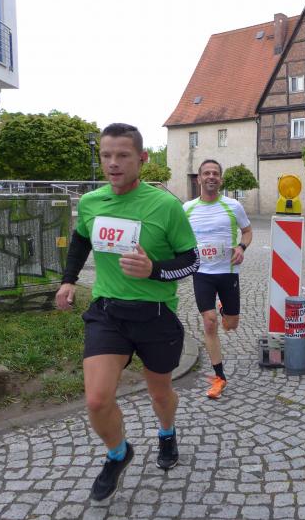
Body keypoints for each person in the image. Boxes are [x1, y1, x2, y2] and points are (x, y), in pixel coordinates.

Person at [55, 123, 199, 502]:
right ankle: (118, 453)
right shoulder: (91, 203)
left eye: (123, 155)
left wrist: (154, 270)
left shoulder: (165, 206)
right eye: (106, 155)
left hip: (155, 315)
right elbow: (81, 241)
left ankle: (166, 432)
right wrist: (68, 281)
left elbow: (191, 261)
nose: (113, 163)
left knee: (160, 393)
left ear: (142, 158)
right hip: (108, 313)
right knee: (96, 400)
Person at [183, 159, 252, 399]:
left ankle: (224, 309)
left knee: (230, 325)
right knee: (209, 322)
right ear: (199, 179)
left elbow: (247, 231)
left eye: (215, 173)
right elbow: (179, 237)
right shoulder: (187, 208)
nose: (211, 176)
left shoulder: (233, 206)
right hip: (202, 273)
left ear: (220, 179)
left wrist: (241, 247)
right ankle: (219, 377)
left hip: (228, 271)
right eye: (206, 173)